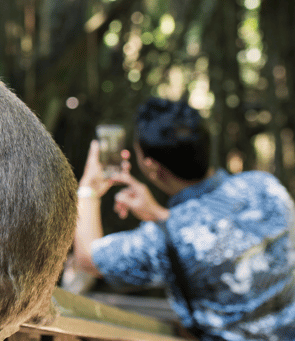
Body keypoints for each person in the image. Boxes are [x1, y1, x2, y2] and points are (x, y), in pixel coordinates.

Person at [74, 97, 295, 340]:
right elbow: (221, 229)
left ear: (152, 168)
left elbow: (88, 258)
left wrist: (89, 189)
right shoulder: (265, 185)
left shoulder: (165, 240)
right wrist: (160, 216)